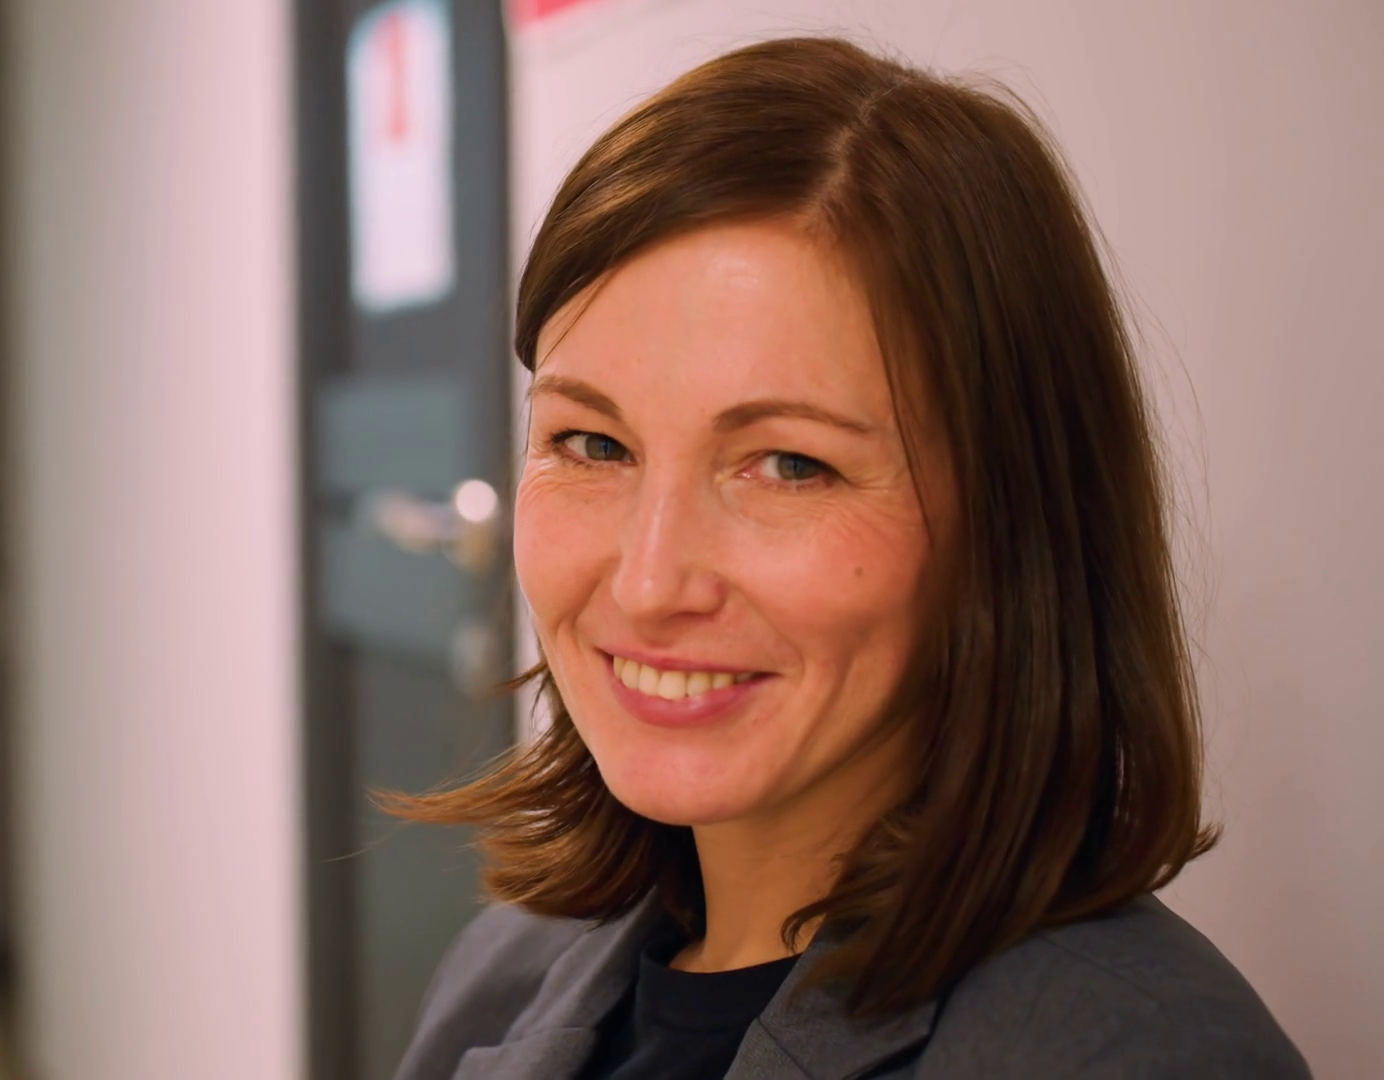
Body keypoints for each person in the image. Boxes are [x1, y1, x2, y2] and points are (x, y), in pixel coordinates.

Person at [388, 35, 1309, 1080]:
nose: (648, 584)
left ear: (1008, 520)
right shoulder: (506, 964)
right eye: (593, 444)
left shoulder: (1137, 1054)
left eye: (790, 466)